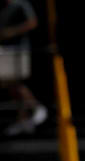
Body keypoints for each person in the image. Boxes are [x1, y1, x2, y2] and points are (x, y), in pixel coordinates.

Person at [0, 0, 46, 136]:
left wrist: (12, 32)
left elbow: (32, 22)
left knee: (14, 83)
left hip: (19, 50)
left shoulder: (21, 4)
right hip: (5, 49)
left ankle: (36, 107)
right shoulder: (4, 7)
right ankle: (24, 120)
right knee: (10, 84)